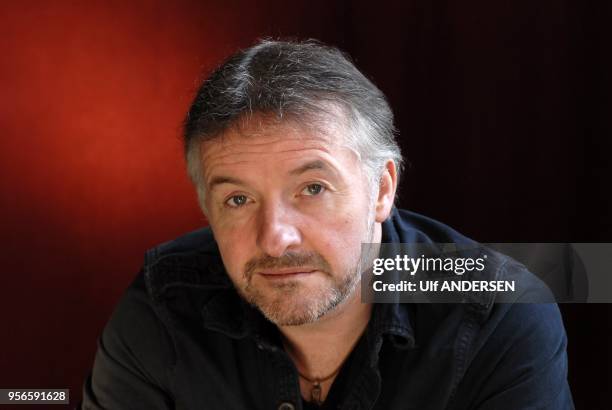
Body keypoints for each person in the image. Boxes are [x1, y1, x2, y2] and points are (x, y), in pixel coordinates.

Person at [81, 39, 574, 410]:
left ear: (382, 190)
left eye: (313, 188)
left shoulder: (502, 309)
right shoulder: (162, 305)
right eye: (237, 198)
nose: (275, 236)